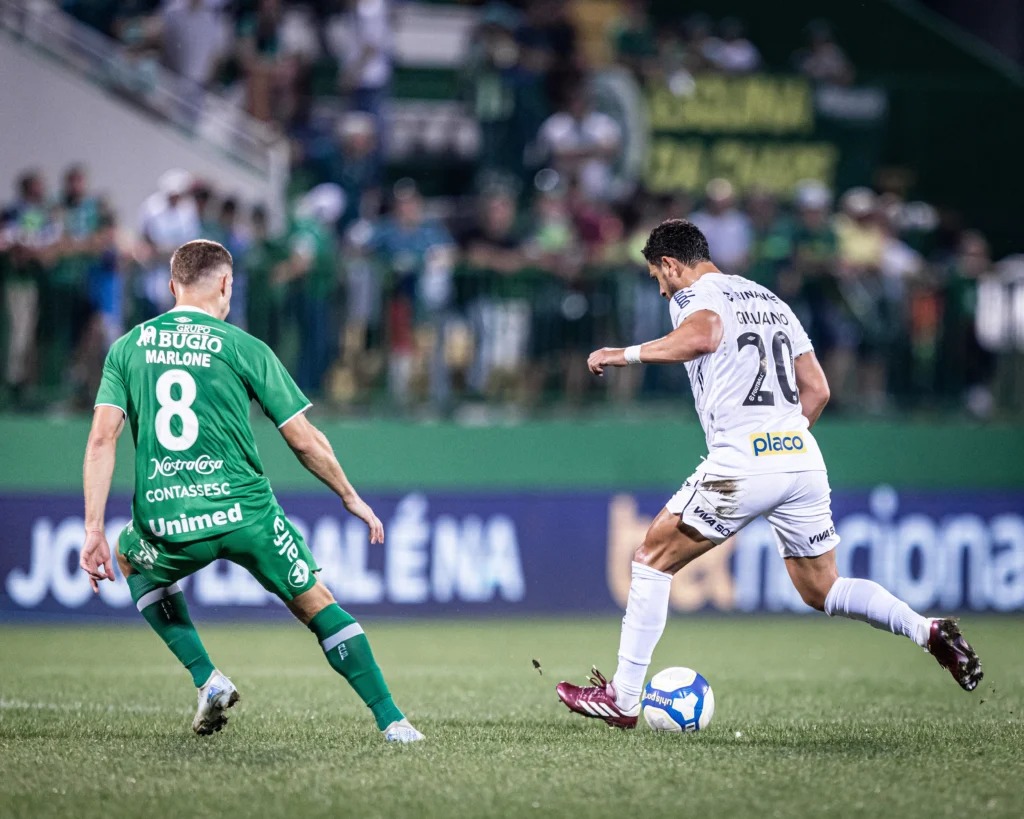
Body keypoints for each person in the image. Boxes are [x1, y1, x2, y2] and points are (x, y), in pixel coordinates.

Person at [555, 219, 983, 729]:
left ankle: (624, 699)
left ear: (671, 264)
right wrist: (780, 444)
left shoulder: (695, 295)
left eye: (657, 276)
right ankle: (927, 630)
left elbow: (705, 335)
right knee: (822, 588)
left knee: (651, 559)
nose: (661, 287)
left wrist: (622, 353)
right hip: (801, 457)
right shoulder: (769, 299)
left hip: (743, 460)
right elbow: (818, 390)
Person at [78, 239, 423, 743]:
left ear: (172, 286)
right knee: (316, 602)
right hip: (248, 517)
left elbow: (101, 438)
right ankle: (393, 721)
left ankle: (207, 678)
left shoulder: (128, 347)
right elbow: (304, 440)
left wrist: (93, 529)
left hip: (169, 520)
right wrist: (349, 494)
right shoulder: (243, 347)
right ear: (225, 284)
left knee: (130, 557)